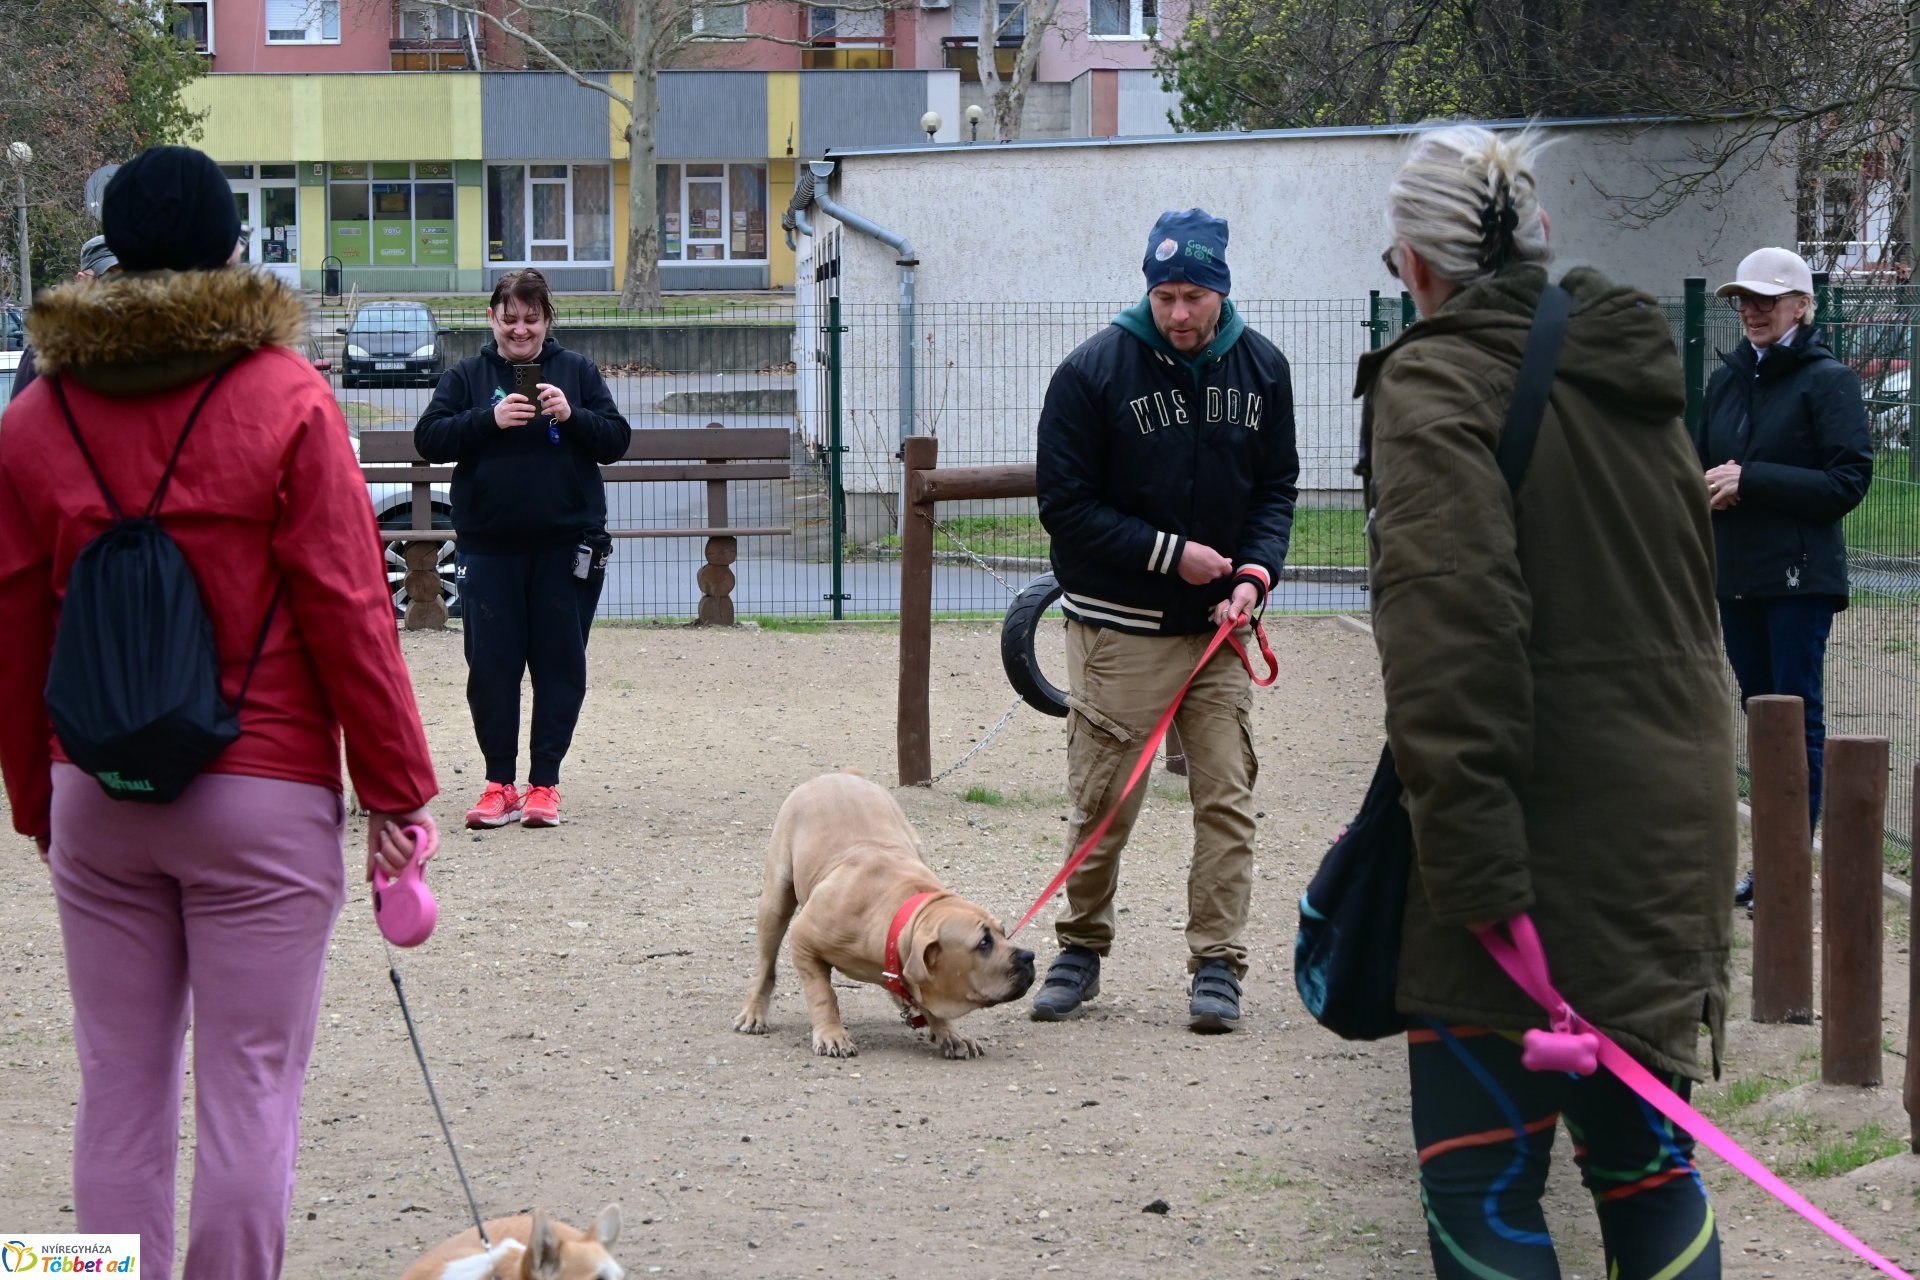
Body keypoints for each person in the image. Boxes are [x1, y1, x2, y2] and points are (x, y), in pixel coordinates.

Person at [0, 145, 440, 1279]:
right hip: (263, 786)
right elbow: (349, 606)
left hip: (95, 791)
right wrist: (396, 789)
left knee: (119, 1087)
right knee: (249, 1086)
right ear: (232, 250)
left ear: (111, 256)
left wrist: (34, 792)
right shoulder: (286, 398)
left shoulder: (36, 417)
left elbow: (13, 626)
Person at [1356, 124, 1735, 1278]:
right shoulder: (1637, 376)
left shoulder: (1434, 382)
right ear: (1536, 241)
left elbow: (1450, 652)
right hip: (1667, 832)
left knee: (1482, 1193)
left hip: (1528, 846)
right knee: (1651, 1172)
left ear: (1416, 266)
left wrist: (1479, 890)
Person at [1030, 208, 1299, 1034]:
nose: (1179, 313)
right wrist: (1166, 553)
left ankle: (1217, 964)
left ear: (1221, 291)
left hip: (1220, 633)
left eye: (1194, 296)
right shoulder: (1091, 372)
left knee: (1226, 799)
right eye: (1165, 294)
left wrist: (1256, 574)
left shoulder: (1262, 369)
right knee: (1104, 802)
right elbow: (1065, 507)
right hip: (1120, 628)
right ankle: (1080, 947)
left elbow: (1276, 490)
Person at [415, 267, 631, 830]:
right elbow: (430, 438)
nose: (520, 330)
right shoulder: (466, 376)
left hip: (568, 545)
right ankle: (498, 784)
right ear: (492, 318)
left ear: (547, 321)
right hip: (490, 547)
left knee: (560, 664)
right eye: (509, 318)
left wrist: (572, 414)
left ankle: (545, 785)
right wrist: (488, 420)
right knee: (491, 667)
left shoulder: (576, 372)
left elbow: (615, 441)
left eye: (531, 319)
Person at [1701, 246, 1873, 909]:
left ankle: (1785, 867)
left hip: (1800, 579)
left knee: (1795, 717)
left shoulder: (1827, 381)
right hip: (1737, 575)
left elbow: (1846, 481)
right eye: (1743, 301)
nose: (1750, 312)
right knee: (1758, 714)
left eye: (1765, 301)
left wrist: (1753, 480)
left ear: (1802, 305)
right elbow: (1702, 462)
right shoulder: (1728, 381)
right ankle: (1773, 860)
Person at [11, 234, 121, 399]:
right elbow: (21, 418)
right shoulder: (48, 347)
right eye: (108, 278)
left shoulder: (149, 342)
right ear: (82, 280)